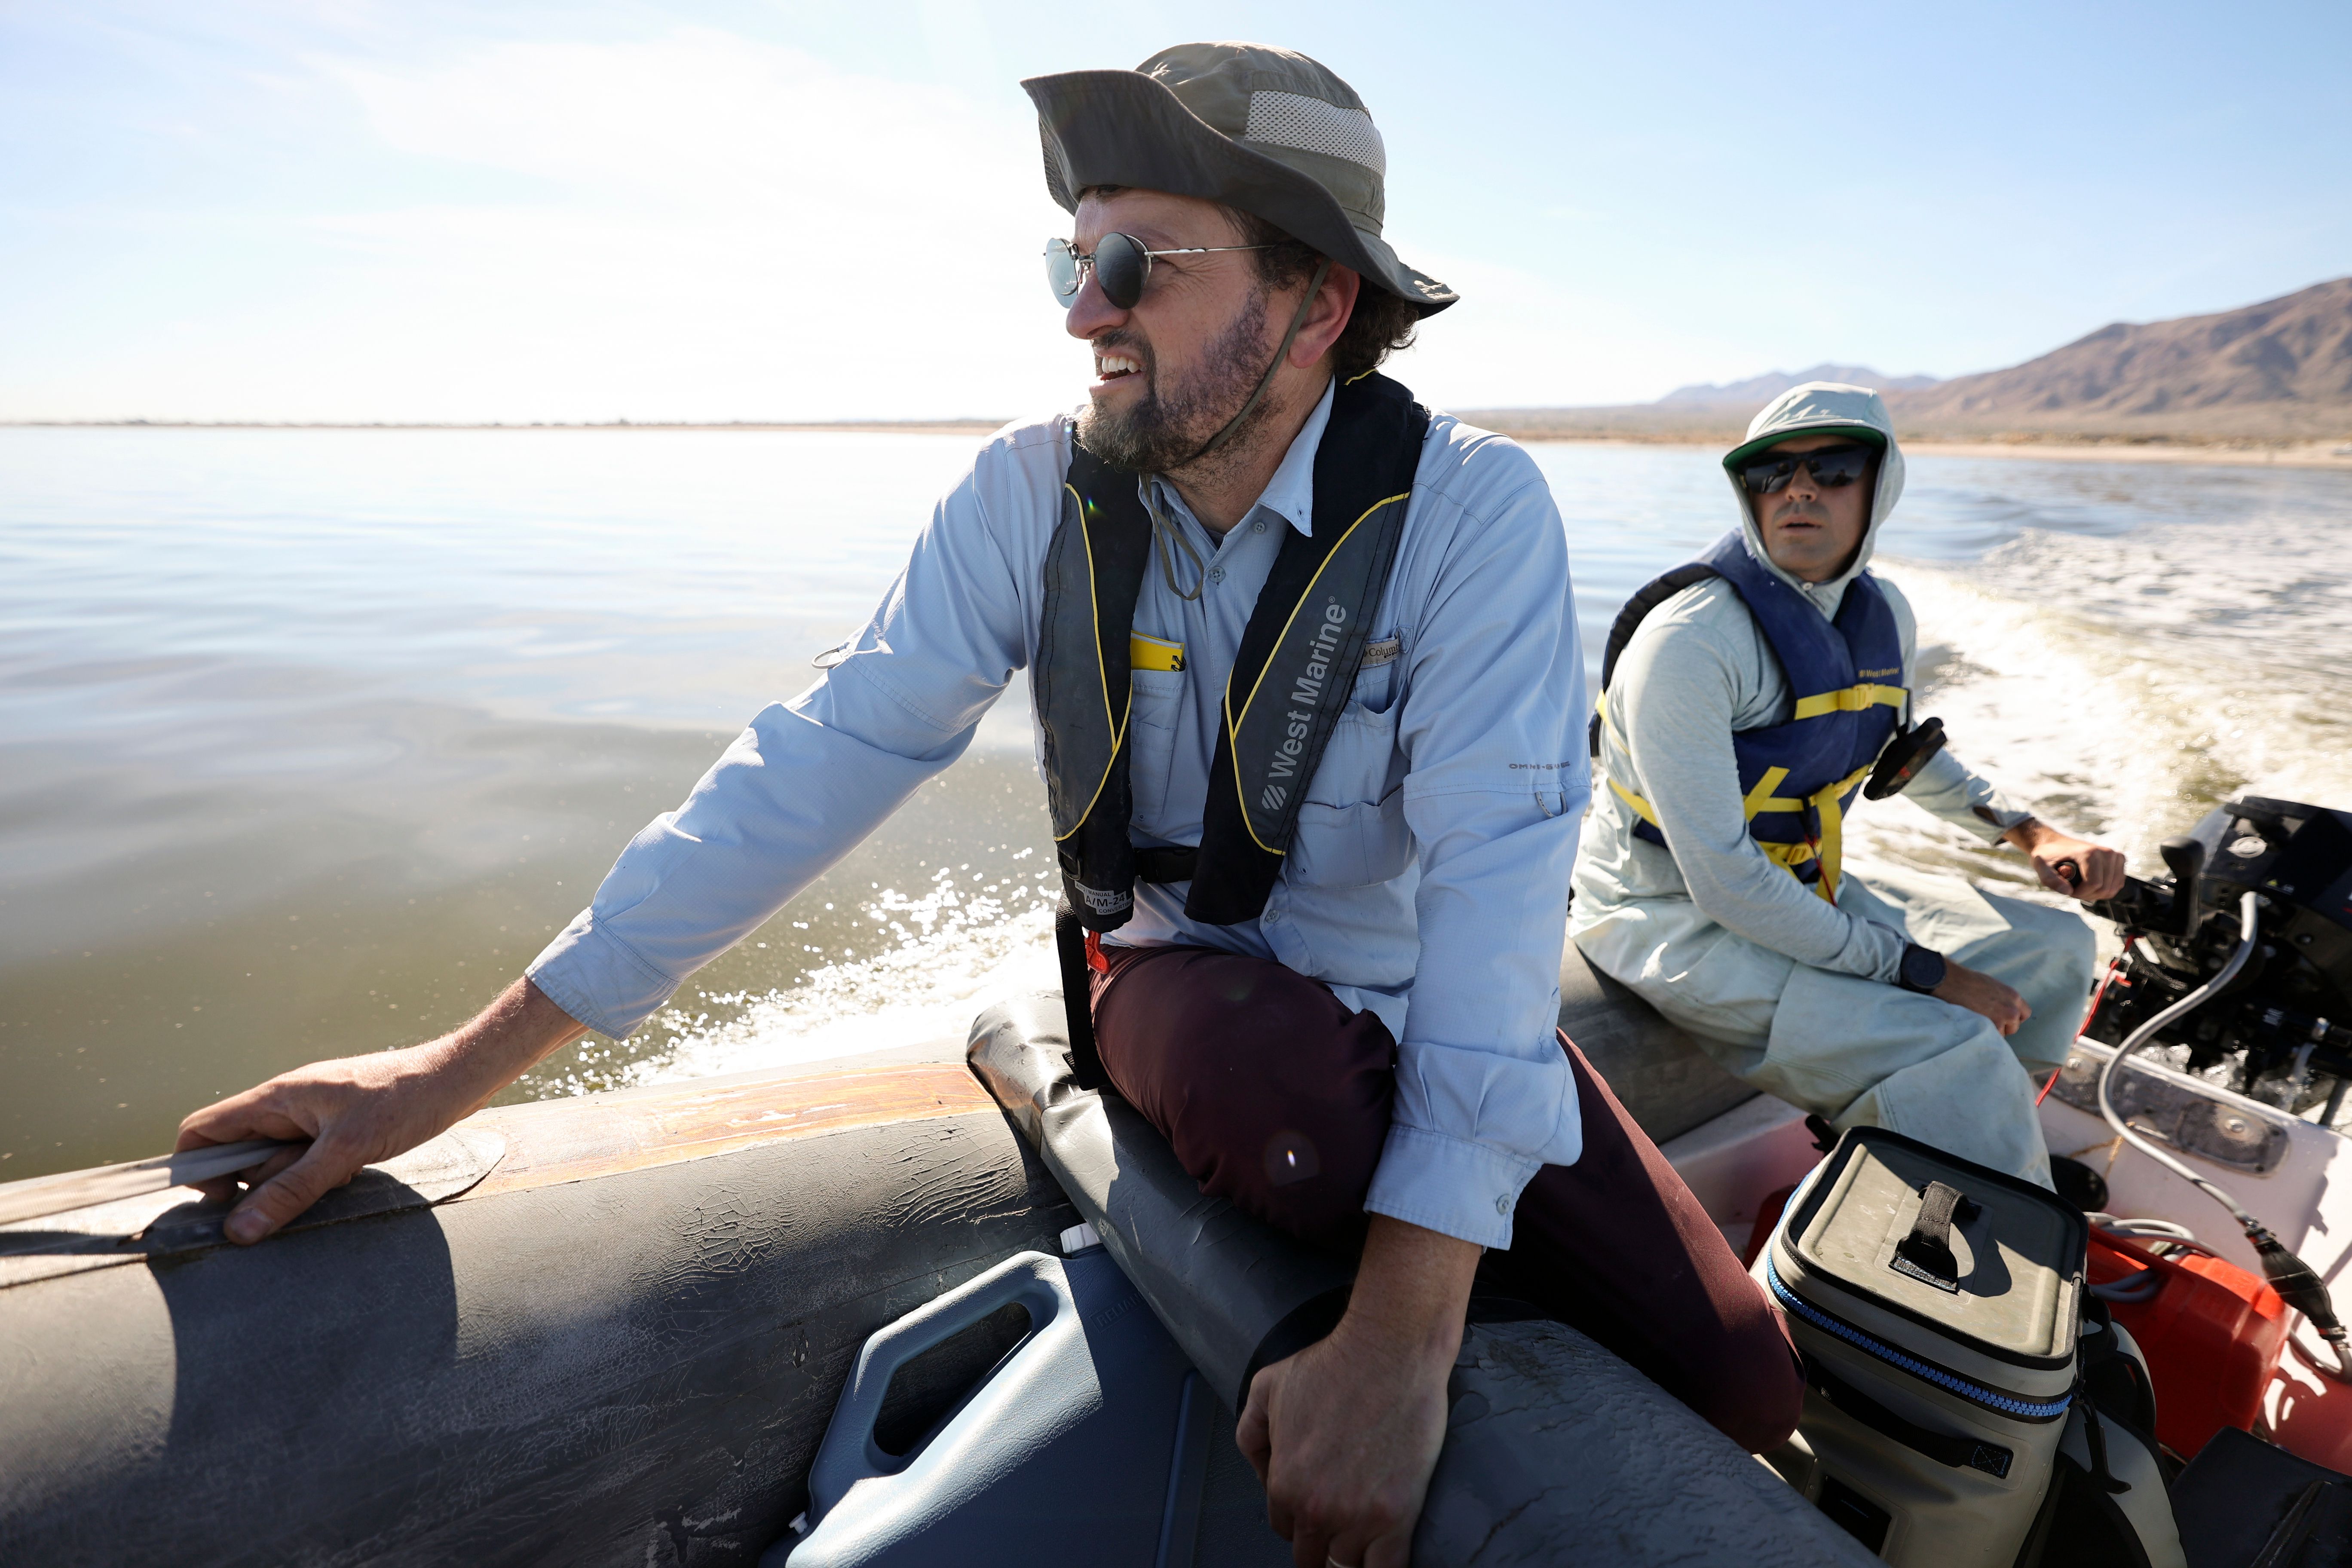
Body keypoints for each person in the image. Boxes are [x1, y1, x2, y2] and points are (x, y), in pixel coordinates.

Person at [178, 43, 1801, 1566]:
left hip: (1410, 993)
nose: (1085, 314)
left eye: (1139, 264)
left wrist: (1402, 1332)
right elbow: (813, 759)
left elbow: (1501, 902)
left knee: (1745, 1386)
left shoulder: (1471, 514)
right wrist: (453, 1069)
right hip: (1184, 986)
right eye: (1071, 262)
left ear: (1319, 300)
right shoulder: (1027, 494)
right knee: (1275, 1093)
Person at [1570, 381, 2125, 1190]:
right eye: (1773, 474)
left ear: (1880, 486)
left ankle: (1990, 1164)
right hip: (1669, 920)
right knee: (1953, 1043)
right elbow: (1725, 887)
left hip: (1803, 889)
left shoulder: (1882, 612)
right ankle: (1990, 1236)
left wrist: (2031, 833)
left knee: (2059, 949)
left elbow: (1899, 753)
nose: (1798, 489)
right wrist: (1926, 973)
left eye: (1832, 469)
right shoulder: (1691, 643)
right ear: (1748, 493)